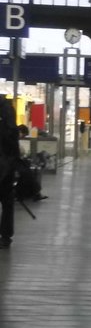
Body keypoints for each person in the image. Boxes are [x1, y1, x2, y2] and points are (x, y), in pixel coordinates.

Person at [0, 97, 19, 248]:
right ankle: (6, 236)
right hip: (8, 164)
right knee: (7, 202)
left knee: (7, 201)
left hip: (4, 163)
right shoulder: (8, 110)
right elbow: (14, 142)